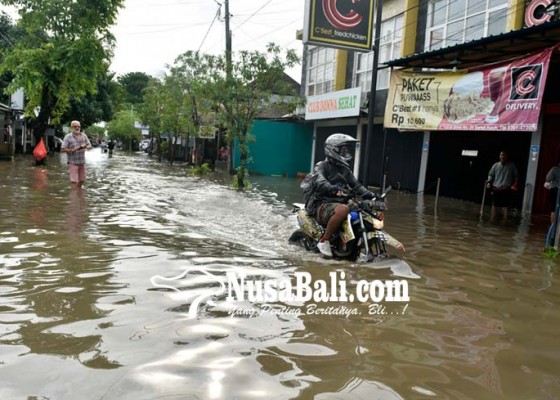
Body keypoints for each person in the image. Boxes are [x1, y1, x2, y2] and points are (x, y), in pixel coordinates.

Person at [304, 133, 375, 257]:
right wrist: (333, 189)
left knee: (365, 211)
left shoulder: (345, 169)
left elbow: (357, 186)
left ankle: (352, 241)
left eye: (347, 150)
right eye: (343, 150)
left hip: (339, 203)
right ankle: (324, 240)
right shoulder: (322, 166)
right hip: (322, 204)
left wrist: (371, 196)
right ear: (332, 150)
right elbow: (320, 181)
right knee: (344, 209)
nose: (346, 153)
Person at [486, 150, 519, 220]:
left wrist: (515, 183)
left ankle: (505, 220)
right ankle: (493, 219)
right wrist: (489, 182)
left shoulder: (511, 166)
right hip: (496, 188)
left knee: (506, 205)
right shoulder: (495, 165)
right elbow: (491, 175)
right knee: (494, 204)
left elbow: (516, 176)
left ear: (506, 156)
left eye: (504, 155)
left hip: (506, 188)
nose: (502, 157)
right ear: (499, 156)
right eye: (501, 155)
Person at [61, 120, 92, 189]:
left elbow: (90, 145)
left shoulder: (84, 136)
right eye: (75, 126)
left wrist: (86, 146)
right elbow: (62, 149)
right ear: (71, 127)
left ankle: (78, 192)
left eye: (78, 126)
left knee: (82, 180)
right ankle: (74, 197)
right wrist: (73, 150)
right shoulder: (67, 137)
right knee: (74, 181)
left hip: (82, 162)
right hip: (72, 162)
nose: (77, 128)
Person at [544, 160, 560, 224]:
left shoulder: (555, 169)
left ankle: (553, 227)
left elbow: (547, 179)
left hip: (555, 190)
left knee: (553, 209)